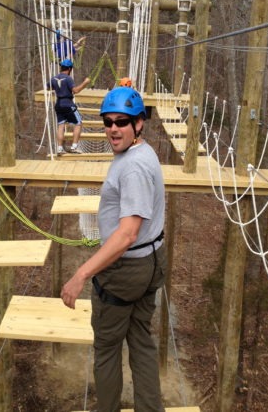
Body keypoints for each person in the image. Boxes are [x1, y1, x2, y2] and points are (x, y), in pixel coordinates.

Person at [61, 86, 167, 412]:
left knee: (107, 348)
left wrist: (81, 274)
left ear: (139, 124)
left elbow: (127, 235)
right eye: (107, 122)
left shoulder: (132, 167)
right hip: (150, 263)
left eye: (121, 122)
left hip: (125, 270)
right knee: (141, 342)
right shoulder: (144, 153)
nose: (112, 129)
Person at [47, 59, 91, 154]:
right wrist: (85, 83)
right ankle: (74, 147)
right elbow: (75, 90)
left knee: (61, 125)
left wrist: (59, 89)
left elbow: (48, 87)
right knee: (78, 123)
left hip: (58, 105)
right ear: (70, 69)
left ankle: (59, 148)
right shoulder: (68, 78)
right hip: (68, 104)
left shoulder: (53, 78)